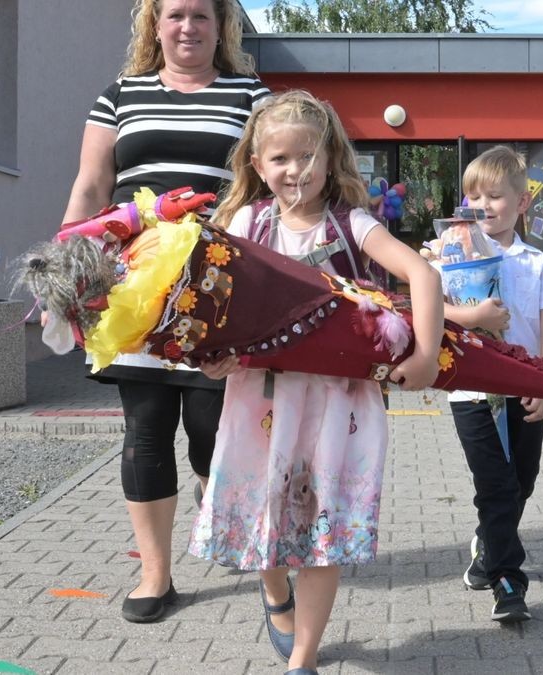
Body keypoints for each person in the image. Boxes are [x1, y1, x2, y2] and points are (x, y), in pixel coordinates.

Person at [190, 90, 443, 675]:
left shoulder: (352, 225)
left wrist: (426, 355)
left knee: (320, 528)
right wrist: (211, 356)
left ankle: (302, 661)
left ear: (329, 158)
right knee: (263, 512)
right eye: (279, 159)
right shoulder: (241, 224)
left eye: (307, 156)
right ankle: (274, 589)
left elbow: (422, 274)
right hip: (260, 401)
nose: (294, 170)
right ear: (256, 164)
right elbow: (209, 307)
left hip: (338, 405)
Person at [59, 0, 268, 624]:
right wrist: (66, 261)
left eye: (200, 16)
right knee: (146, 428)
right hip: (130, 286)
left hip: (214, 286)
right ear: (154, 23)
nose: (187, 27)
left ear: (220, 26)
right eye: (174, 15)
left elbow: (264, 184)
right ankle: (156, 575)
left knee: (210, 427)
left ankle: (217, 494)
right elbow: (93, 185)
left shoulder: (251, 94)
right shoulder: (119, 95)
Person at [438, 145, 543, 623]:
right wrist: (471, 314)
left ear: (521, 204)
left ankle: (486, 546)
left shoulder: (537, 263)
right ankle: (508, 580)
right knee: (495, 486)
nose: (483, 206)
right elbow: (428, 310)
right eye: (474, 196)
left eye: (495, 196)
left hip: (525, 389)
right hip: (471, 392)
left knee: (522, 483)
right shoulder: (450, 255)